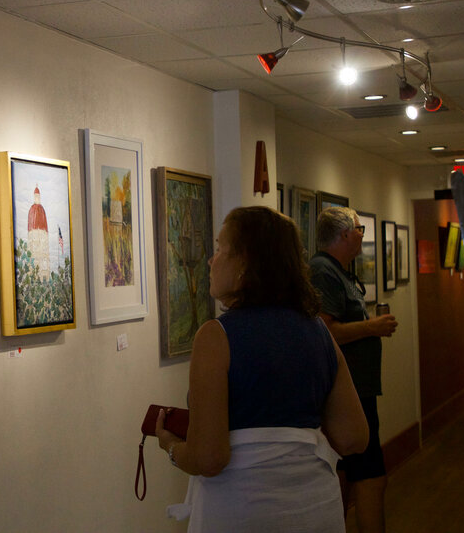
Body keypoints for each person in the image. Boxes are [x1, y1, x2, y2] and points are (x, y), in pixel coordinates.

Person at [156, 206, 369, 533]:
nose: (211, 261)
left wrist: (171, 446)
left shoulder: (216, 336)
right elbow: (354, 437)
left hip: (243, 509)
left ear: (245, 263)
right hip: (317, 507)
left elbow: (209, 458)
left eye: (219, 249)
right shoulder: (318, 332)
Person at [309, 207, 398, 533]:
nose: (363, 235)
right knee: (371, 476)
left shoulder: (339, 270)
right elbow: (326, 331)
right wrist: (372, 327)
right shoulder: (322, 271)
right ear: (345, 234)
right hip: (346, 394)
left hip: (357, 390)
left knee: (353, 475)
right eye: (360, 229)